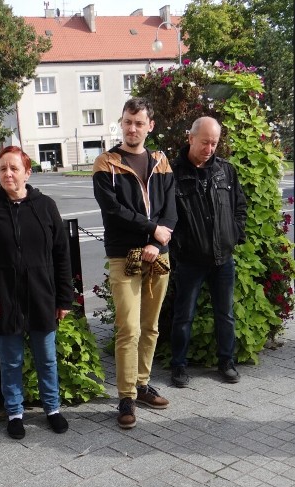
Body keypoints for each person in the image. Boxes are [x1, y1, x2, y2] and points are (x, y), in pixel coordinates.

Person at [0, 146, 73, 440]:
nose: (8, 174)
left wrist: (64, 298)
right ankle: (15, 412)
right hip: (4, 299)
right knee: (10, 360)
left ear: (27, 171)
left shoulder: (45, 205)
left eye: (14, 168)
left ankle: (52, 408)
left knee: (46, 358)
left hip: (41, 296)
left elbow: (62, 254)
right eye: (2, 169)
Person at [93, 97, 177, 428]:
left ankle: (142, 385)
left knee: (151, 325)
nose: (132, 128)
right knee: (128, 327)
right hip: (124, 254)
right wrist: (151, 230)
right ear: (121, 122)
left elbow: (172, 207)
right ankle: (126, 396)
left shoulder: (161, 161)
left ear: (149, 126)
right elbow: (113, 211)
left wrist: (157, 241)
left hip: (160, 255)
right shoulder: (106, 163)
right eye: (128, 121)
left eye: (139, 123)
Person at [169, 116, 247, 387]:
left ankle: (226, 361)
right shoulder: (172, 173)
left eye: (214, 143)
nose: (210, 148)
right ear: (190, 138)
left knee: (225, 314)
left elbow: (239, 206)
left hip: (223, 257)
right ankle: (178, 365)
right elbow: (165, 215)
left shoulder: (225, 170)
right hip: (190, 260)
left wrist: (234, 234)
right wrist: (179, 246)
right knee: (183, 316)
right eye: (205, 142)